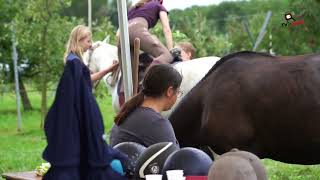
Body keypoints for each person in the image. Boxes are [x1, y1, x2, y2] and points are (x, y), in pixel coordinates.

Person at [42, 25, 127, 180]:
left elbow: (86, 79)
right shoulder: (74, 62)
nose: (90, 44)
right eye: (88, 41)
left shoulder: (74, 60)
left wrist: (108, 70)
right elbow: (80, 87)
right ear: (79, 40)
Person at [109, 64, 182, 148]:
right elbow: (173, 159)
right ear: (169, 91)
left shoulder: (129, 111)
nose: (177, 96)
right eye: (178, 92)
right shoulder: (157, 124)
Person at [117, 0, 174, 66]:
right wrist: (171, 50)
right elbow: (167, 29)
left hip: (122, 38)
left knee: (131, 74)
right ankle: (150, 74)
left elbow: (118, 33)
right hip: (137, 30)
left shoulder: (133, 9)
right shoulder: (158, 5)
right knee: (167, 56)